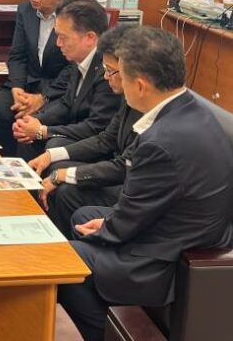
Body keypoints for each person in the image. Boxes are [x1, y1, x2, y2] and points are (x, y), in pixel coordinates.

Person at [58, 28, 233, 341]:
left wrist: (107, 228)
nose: (114, 82)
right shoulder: (192, 110)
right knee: (84, 216)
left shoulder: (160, 142)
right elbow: (136, 208)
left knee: (65, 260)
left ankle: (104, 333)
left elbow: (127, 223)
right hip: (184, 230)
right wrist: (107, 224)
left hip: (167, 259)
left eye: (120, 76)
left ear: (139, 85)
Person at [28, 24, 143, 235]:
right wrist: (51, 156)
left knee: (66, 190)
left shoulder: (147, 104)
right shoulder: (131, 97)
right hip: (120, 171)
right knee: (55, 164)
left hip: (133, 188)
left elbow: (123, 166)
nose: (106, 76)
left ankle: (64, 246)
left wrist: (64, 175)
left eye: (110, 70)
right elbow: (105, 139)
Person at [0, 0, 72, 156]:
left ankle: (30, 165)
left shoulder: (75, 14)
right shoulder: (25, 10)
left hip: (60, 91)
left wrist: (43, 97)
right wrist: (17, 88)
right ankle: (12, 160)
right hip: (28, 84)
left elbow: (74, 67)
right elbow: (17, 55)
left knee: (30, 124)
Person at [13, 0, 121, 162]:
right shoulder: (79, 60)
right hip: (77, 129)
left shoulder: (109, 72)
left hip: (98, 143)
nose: (58, 43)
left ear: (90, 38)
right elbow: (67, 103)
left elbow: (97, 127)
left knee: (52, 143)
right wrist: (35, 120)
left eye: (63, 37)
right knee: (27, 135)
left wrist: (43, 131)